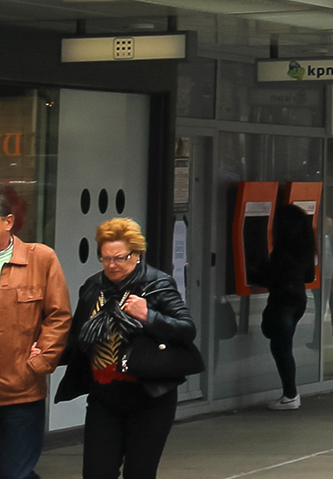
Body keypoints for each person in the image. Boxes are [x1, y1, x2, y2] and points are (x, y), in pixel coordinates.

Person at [56, 219, 194, 479]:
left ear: (137, 254)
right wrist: (47, 354)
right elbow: (76, 339)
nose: (111, 265)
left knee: (139, 472)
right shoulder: (93, 287)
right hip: (104, 396)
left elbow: (186, 330)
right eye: (105, 258)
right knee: (96, 472)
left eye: (119, 258)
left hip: (149, 396)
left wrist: (148, 316)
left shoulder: (158, 284)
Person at [0, 193, 70, 479]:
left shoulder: (40, 258)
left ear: (8, 222)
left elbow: (59, 315)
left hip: (21, 392)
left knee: (14, 471)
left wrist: (39, 364)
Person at [263, 184, 316, 410]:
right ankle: (289, 394)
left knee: (280, 346)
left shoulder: (281, 252)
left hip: (282, 300)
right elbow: (310, 275)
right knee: (282, 342)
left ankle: (291, 395)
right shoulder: (306, 248)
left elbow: (270, 276)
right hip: (299, 300)